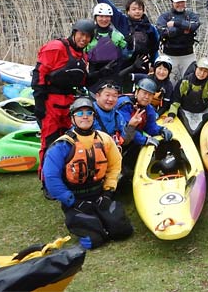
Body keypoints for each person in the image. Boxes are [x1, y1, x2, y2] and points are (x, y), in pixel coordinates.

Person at [42, 97, 133, 250]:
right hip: (76, 199)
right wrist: (72, 201)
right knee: (94, 240)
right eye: (80, 113)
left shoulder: (104, 139)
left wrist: (108, 192)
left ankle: (104, 219)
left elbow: (115, 166)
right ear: (73, 118)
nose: (85, 116)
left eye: (89, 112)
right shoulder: (62, 145)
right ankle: (89, 222)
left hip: (99, 195)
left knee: (123, 231)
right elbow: (51, 179)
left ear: (93, 116)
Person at [32, 19, 93, 170]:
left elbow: (82, 81)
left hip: (69, 104)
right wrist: (39, 103)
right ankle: (47, 181)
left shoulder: (82, 56)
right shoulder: (56, 47)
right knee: (50, 142)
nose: (84, 39)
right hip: (50, 103)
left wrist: (104, 73)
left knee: (68, 141)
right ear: (74, 33)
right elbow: (39, 74)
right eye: (81, 35)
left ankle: (66, 176)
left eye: (88, 37)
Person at [84, 0, 159, 87]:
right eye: (134, 9)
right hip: (123, 67)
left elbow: (154, 49)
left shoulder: (150, 28)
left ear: (143, 11)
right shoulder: (123, 22)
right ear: (128, 11)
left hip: (142, 65)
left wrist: (155, 65)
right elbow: (111, 8)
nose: (137, 12)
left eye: (139, 9)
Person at [116, 78, 174, 176]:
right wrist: (144, 140)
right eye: (144, 93)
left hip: (132, 139)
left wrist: (161, 130)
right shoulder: (124, 104)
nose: (147, 97)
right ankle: (122, 170)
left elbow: (151, 127)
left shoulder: (149, 108)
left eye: (150, 94)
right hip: (119, 140)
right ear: (137, 91)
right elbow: (125, 129)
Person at [163, 57, 208, 145]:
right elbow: (176, 101)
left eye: (205, 71)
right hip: (185, 112)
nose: (202, 74)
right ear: (195, 68)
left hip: (202, 112)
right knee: (188, 133)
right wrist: (171, 115)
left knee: (197, 136)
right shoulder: (184, 82)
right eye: (200, 70)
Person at [156, 0, 201, 83]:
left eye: (182, 2)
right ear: (172, 2)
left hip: (188, 55)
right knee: (171, 83)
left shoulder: (191, 15)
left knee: (189, 82)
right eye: (177, 2)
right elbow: (163, 32)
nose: (180, 5)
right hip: (170, 55)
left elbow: (194, 26)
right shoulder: (164, 16)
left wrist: (176, 23)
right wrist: (184, 29)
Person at [84, 3, 128, 91]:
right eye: (101, 16)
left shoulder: (117, 35)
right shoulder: (88, 35)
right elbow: (81, 54)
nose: (104, 19)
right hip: (95, 76)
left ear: (111, 18)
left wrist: (130, 45)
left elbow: (127, 54)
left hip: (113, 76)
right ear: (95, 17)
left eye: (107, 16)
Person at [91, 81, 133, 147]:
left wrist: (132, 126)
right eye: (107, 95)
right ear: (97, 96)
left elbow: (125, 141)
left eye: (114, 96)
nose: (111, 99)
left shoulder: (117, 116)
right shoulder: (87, 115)